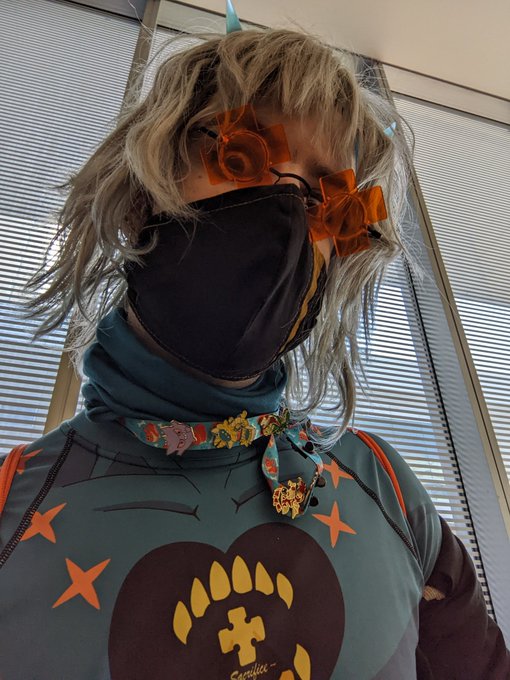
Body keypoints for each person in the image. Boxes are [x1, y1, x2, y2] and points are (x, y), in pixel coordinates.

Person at [0, 8, 509, 679]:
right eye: (244, 157)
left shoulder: (388, 492)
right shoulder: (14, 508)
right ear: (144, 193)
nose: (287, 213)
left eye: (325, 198)